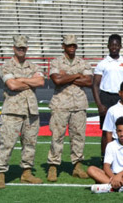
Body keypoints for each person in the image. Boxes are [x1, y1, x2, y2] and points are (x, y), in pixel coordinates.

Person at [0, 35, 45, 188]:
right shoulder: (6, 66)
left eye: (23, 48)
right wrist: (30, 81)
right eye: (18, 48)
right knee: (6, 143)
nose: (21, 50)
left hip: (31, 110)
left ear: (26, 49)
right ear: (13, 48)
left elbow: (41, 82)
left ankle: (26, 173)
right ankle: (0, 174)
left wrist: (20, 79)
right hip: (12, 110)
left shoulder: (33, 66)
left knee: (30, 143)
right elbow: (12, 86)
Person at [47, 34, 93, 182]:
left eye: (74, 45)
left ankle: (77, 166)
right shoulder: (56, 62)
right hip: (60, 104)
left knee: (78, 136)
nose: (72, 48)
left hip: (79, 105)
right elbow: (57, 80)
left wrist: (67, 76)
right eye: (69, 45)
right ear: (63, 46)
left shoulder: (83, 63)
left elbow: (89, 82)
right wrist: (77, 76)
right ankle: (53, 166)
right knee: (57, 136)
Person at [92, 34, 123, 155]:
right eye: (112, 45)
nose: (114, 47)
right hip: (106, 97)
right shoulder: (102, 63)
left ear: (120, 46)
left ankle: (122, 156)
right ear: (108, 46)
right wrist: (99, 104)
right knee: (106, 131)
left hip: (121, 98)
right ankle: (104, 157)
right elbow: (95, 85)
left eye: (116, 45)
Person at [88, 117, 123, 194]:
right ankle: (121, 187)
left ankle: (109, 187)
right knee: (91, 169)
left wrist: (120, 175)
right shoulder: (110, 145)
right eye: (119, 131)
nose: (122, 134)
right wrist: (114, 177)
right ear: (116, 131)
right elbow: (106, 166)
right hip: (112, 175)